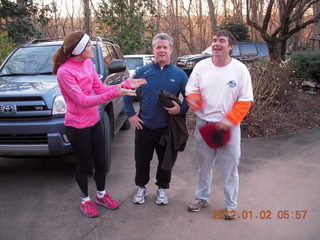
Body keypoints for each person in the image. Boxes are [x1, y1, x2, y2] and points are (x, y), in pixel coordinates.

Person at [52, 31, 146, 218]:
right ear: (78, 50)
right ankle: (85, 200)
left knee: (101, 162)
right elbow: (83, 101)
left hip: (94, 121)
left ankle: (101, 195)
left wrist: (126, 84)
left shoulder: (87, 63)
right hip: (77, 126)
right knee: (84, 165)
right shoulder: (65, 72)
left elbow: (100, 88)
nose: (92, 47)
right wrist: (116, 93)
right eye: (88, 45)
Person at [185, 30, 254, 219]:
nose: (216, 44)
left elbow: (246, 99)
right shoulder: (201, 66)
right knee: (204, 166)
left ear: (230, 46)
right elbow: (191, 89)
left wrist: (228, 121)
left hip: (229, 127)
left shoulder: (240, 70)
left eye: (221, 41)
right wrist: (195, 100)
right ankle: (202, 198)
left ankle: (231, 206)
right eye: (214, 40)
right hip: (204, 125)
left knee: (230, 168)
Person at [124, 33, 189, 205]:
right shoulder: (142, 72)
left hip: (167, 129)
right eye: (158, 47)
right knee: (142, 161)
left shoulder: (180, 74)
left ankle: (162, 189)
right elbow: (125, 91)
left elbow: (190, 97)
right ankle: (141, 188)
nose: (161, 50)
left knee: (165, 162)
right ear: (153, 50)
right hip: (144, 127)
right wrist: (131, 114)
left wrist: (180, 109)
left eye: (165, 47)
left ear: (171, 50)